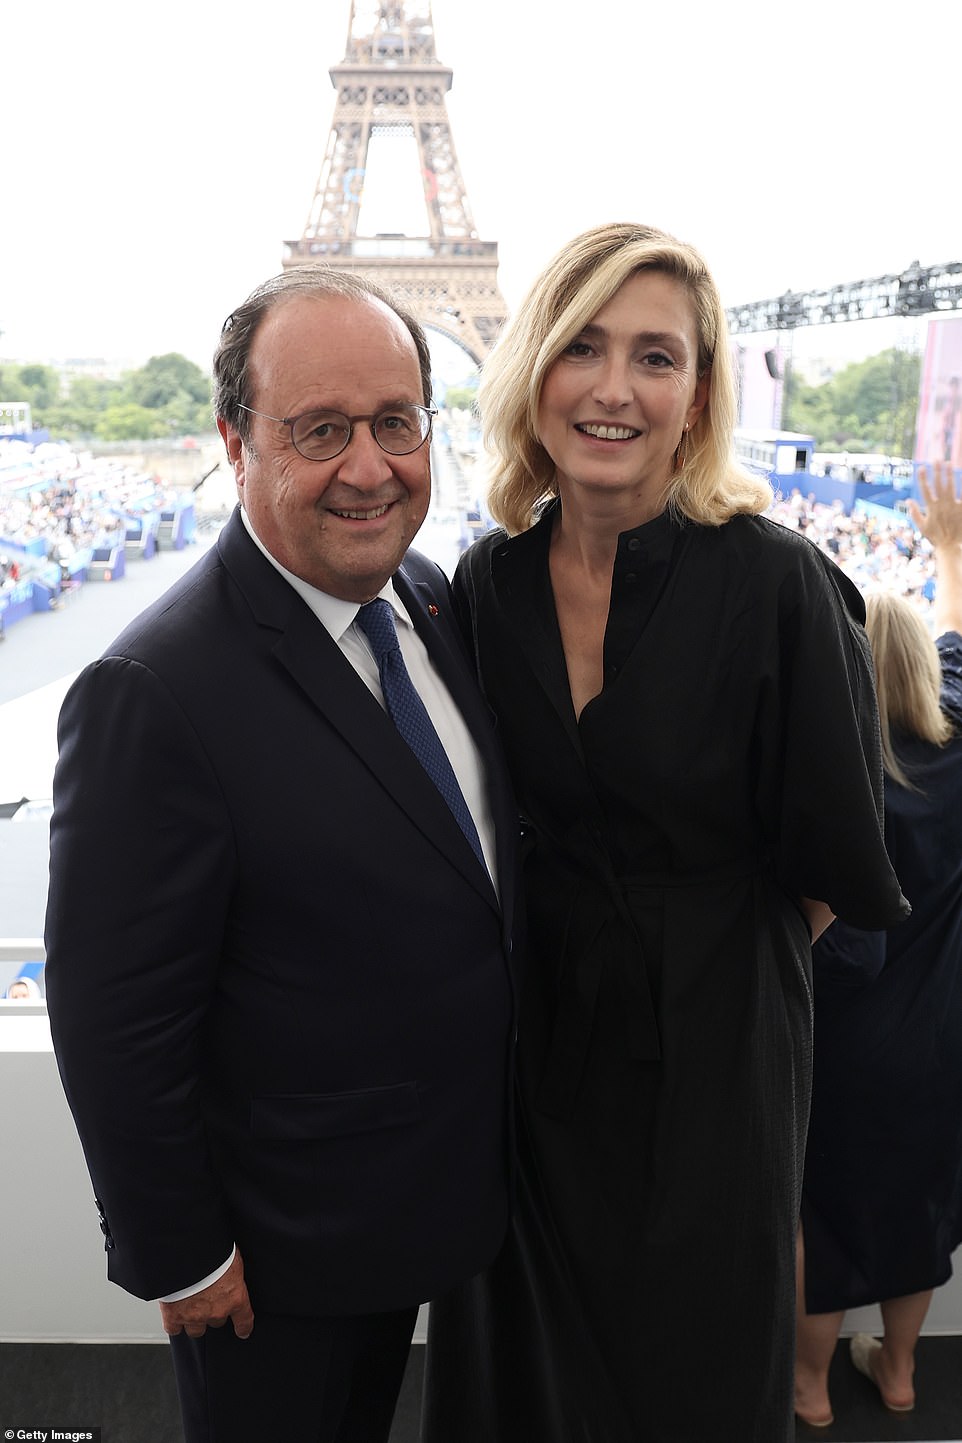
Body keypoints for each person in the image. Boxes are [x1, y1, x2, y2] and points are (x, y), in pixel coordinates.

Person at [420, 222, 909, 1443]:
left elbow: (826, 876)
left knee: (689, 1380)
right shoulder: (487, 587)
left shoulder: (783, 589)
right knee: (525, 1378)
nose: (613, 388)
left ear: (697, 398)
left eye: (655, 357)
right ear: (532, 370)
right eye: (582, 347)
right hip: (532, 1064)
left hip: (717, 1059)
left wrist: (701, 965)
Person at [44, 266, 519, 1443]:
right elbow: (113, 1016)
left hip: (438, 1194)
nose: (368, 466)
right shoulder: (154, 690)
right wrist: (182, 1256)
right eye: (317, 431)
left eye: (394, 422)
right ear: (234, 442)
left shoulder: (430, 598)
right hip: (274, 1256)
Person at [795, 460, 962, 1427]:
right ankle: (899, 1372)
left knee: (824, 1214)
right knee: (919, 1207)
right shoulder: (955, 752)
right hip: (938, 1037)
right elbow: (955, 646)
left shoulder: (831, 783)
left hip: (839, 1040)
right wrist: (945, 550)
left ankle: (811, 1389)